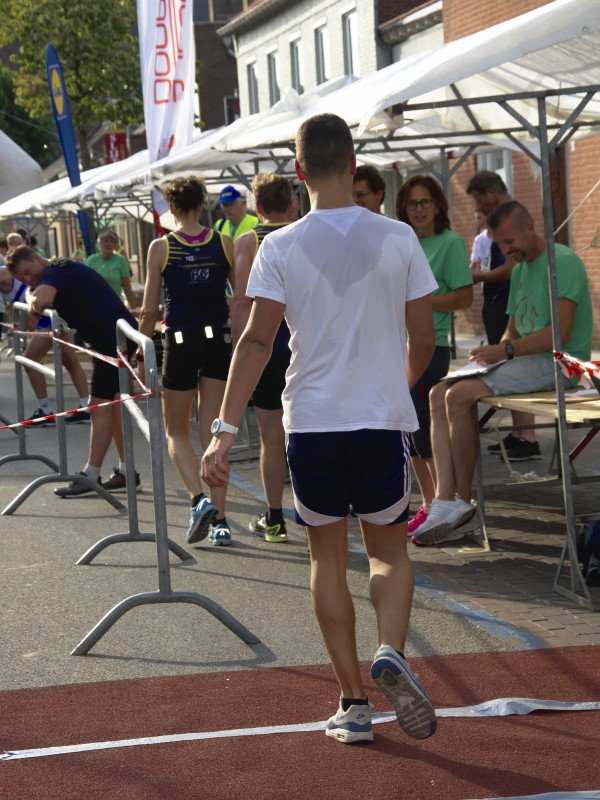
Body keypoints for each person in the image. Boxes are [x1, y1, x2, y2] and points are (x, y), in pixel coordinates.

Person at [201, 113, 438, 745]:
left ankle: (353, 705)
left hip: (311, 421)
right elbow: (424, 339)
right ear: (353, 164)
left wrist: (223, 428)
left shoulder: (278, 246)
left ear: (298, 171)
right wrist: (393, 386)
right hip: (377, 420)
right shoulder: (398, 237)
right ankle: (390, 651)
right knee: (389, 552)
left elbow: (256, 342)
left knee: (326, 558)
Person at [413, 201, 593, 547]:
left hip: (563, 363)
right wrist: (491, 355)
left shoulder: (562, 261)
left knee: (459, 395)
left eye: (509, 242)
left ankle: (461, 502)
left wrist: (505, 351)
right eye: (500, 244)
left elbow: (561, 333)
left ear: (530, 228)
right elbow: (513, 328)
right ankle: (445, 499)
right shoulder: (521, 268)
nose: (506, 251)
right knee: (438, 393)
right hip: (529, 359)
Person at [137, 176, 235, 546]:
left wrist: (138, 350)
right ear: (200, 204)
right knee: (214, 432)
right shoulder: (222, 242)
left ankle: (198, 500)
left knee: (175, 431)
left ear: (172, 208)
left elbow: (149, 310)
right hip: (218, 341)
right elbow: (239, 297)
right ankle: (220, 523)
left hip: (180, 343)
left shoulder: (160, 247)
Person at [6, 246, 141, 496]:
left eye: (27, 272)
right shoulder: (56, 271)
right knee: (111, 406)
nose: (28, 279)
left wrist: (31, 297)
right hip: (112, 338)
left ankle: (90, 476)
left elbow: (41, 301)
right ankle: (126, 472)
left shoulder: (55, 271)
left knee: (98, 406)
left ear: (36, 258)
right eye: (22, 279)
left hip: (113, 339)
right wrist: (33, 294)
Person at [396, 175, 473, 537]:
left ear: (438, 205)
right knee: (412, 432)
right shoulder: (401, 241)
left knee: (424, 431)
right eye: (412, 203)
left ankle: (444, 503)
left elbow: (464, 297)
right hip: (398, 345)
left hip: (432, 344)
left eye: (425, 201)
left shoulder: (450, 243)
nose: (419, 209)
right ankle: (431, 503)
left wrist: (420, 303)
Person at [231, 172, 293, 543]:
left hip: (269, 345)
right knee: (310, 429)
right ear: (292, 203)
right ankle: (323, 513)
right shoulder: (304, 233)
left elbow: (242, 301)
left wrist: (241, 355)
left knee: (271, 436)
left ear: (257, 206)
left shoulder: (249, 240)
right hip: (304, 343)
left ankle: (275, 517)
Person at [466, 170, 540, 461]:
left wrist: (477, 277)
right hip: (502, 300)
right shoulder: (501, 222)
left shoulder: (510, 220)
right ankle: (520, 432)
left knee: (512, 360)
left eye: (480, 203)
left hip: (508, 296)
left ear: (490, 194)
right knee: (504, 359)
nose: (479, 210)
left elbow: (510, 268)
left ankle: (527, 435)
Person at [86, 229, 137, 310]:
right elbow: (84, 282)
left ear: (115, 245)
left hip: (114, 304)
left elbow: (127, 285)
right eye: (105, 241)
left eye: (112, 241)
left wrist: (133, 308)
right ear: (100, 244)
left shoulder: (120, 260)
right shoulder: (91, 260)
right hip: (94, 304)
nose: (108, 243)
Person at [470, 209, 493, 275]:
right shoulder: (479, 239)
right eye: (476, 219)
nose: (477, 221)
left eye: (479, 218)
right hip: (487, 274)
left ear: (487, 217)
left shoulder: (500, 235)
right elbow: (475, 262)